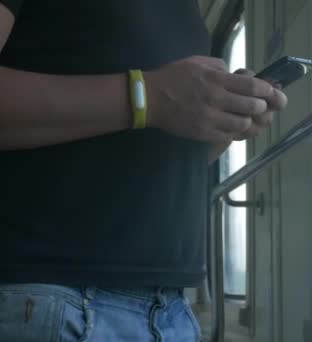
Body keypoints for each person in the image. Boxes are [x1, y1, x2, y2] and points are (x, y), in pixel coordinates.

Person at [0, 0, 287, 340]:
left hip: (170, 311)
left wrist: (219, 116)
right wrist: (148, 96)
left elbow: (136, 155)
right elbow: (152, 103)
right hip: (56, 301)